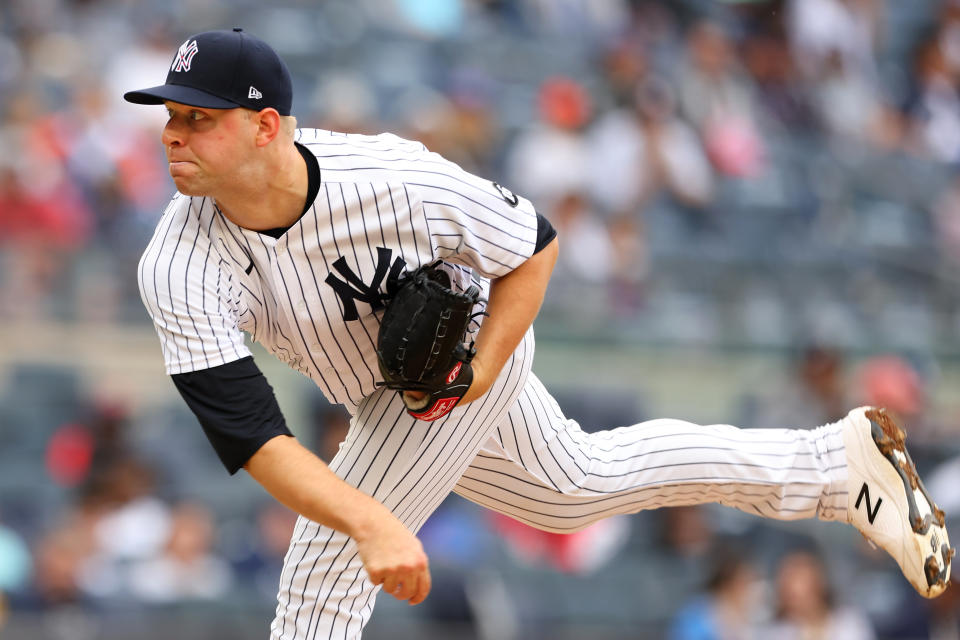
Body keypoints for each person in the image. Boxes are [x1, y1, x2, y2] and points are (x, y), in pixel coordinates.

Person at [123, 28, 953, 639]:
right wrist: (375, 518)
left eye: (200, 118)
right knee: (574, 489)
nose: (173, 132)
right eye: (171, 115)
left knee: (319, 574)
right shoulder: (178, 262)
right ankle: (830, 468)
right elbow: (254, 435)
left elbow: (534, 246)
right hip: (390, 390)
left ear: (267, 127)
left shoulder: (393, 178)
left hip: (473, 346)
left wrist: (476, 373)